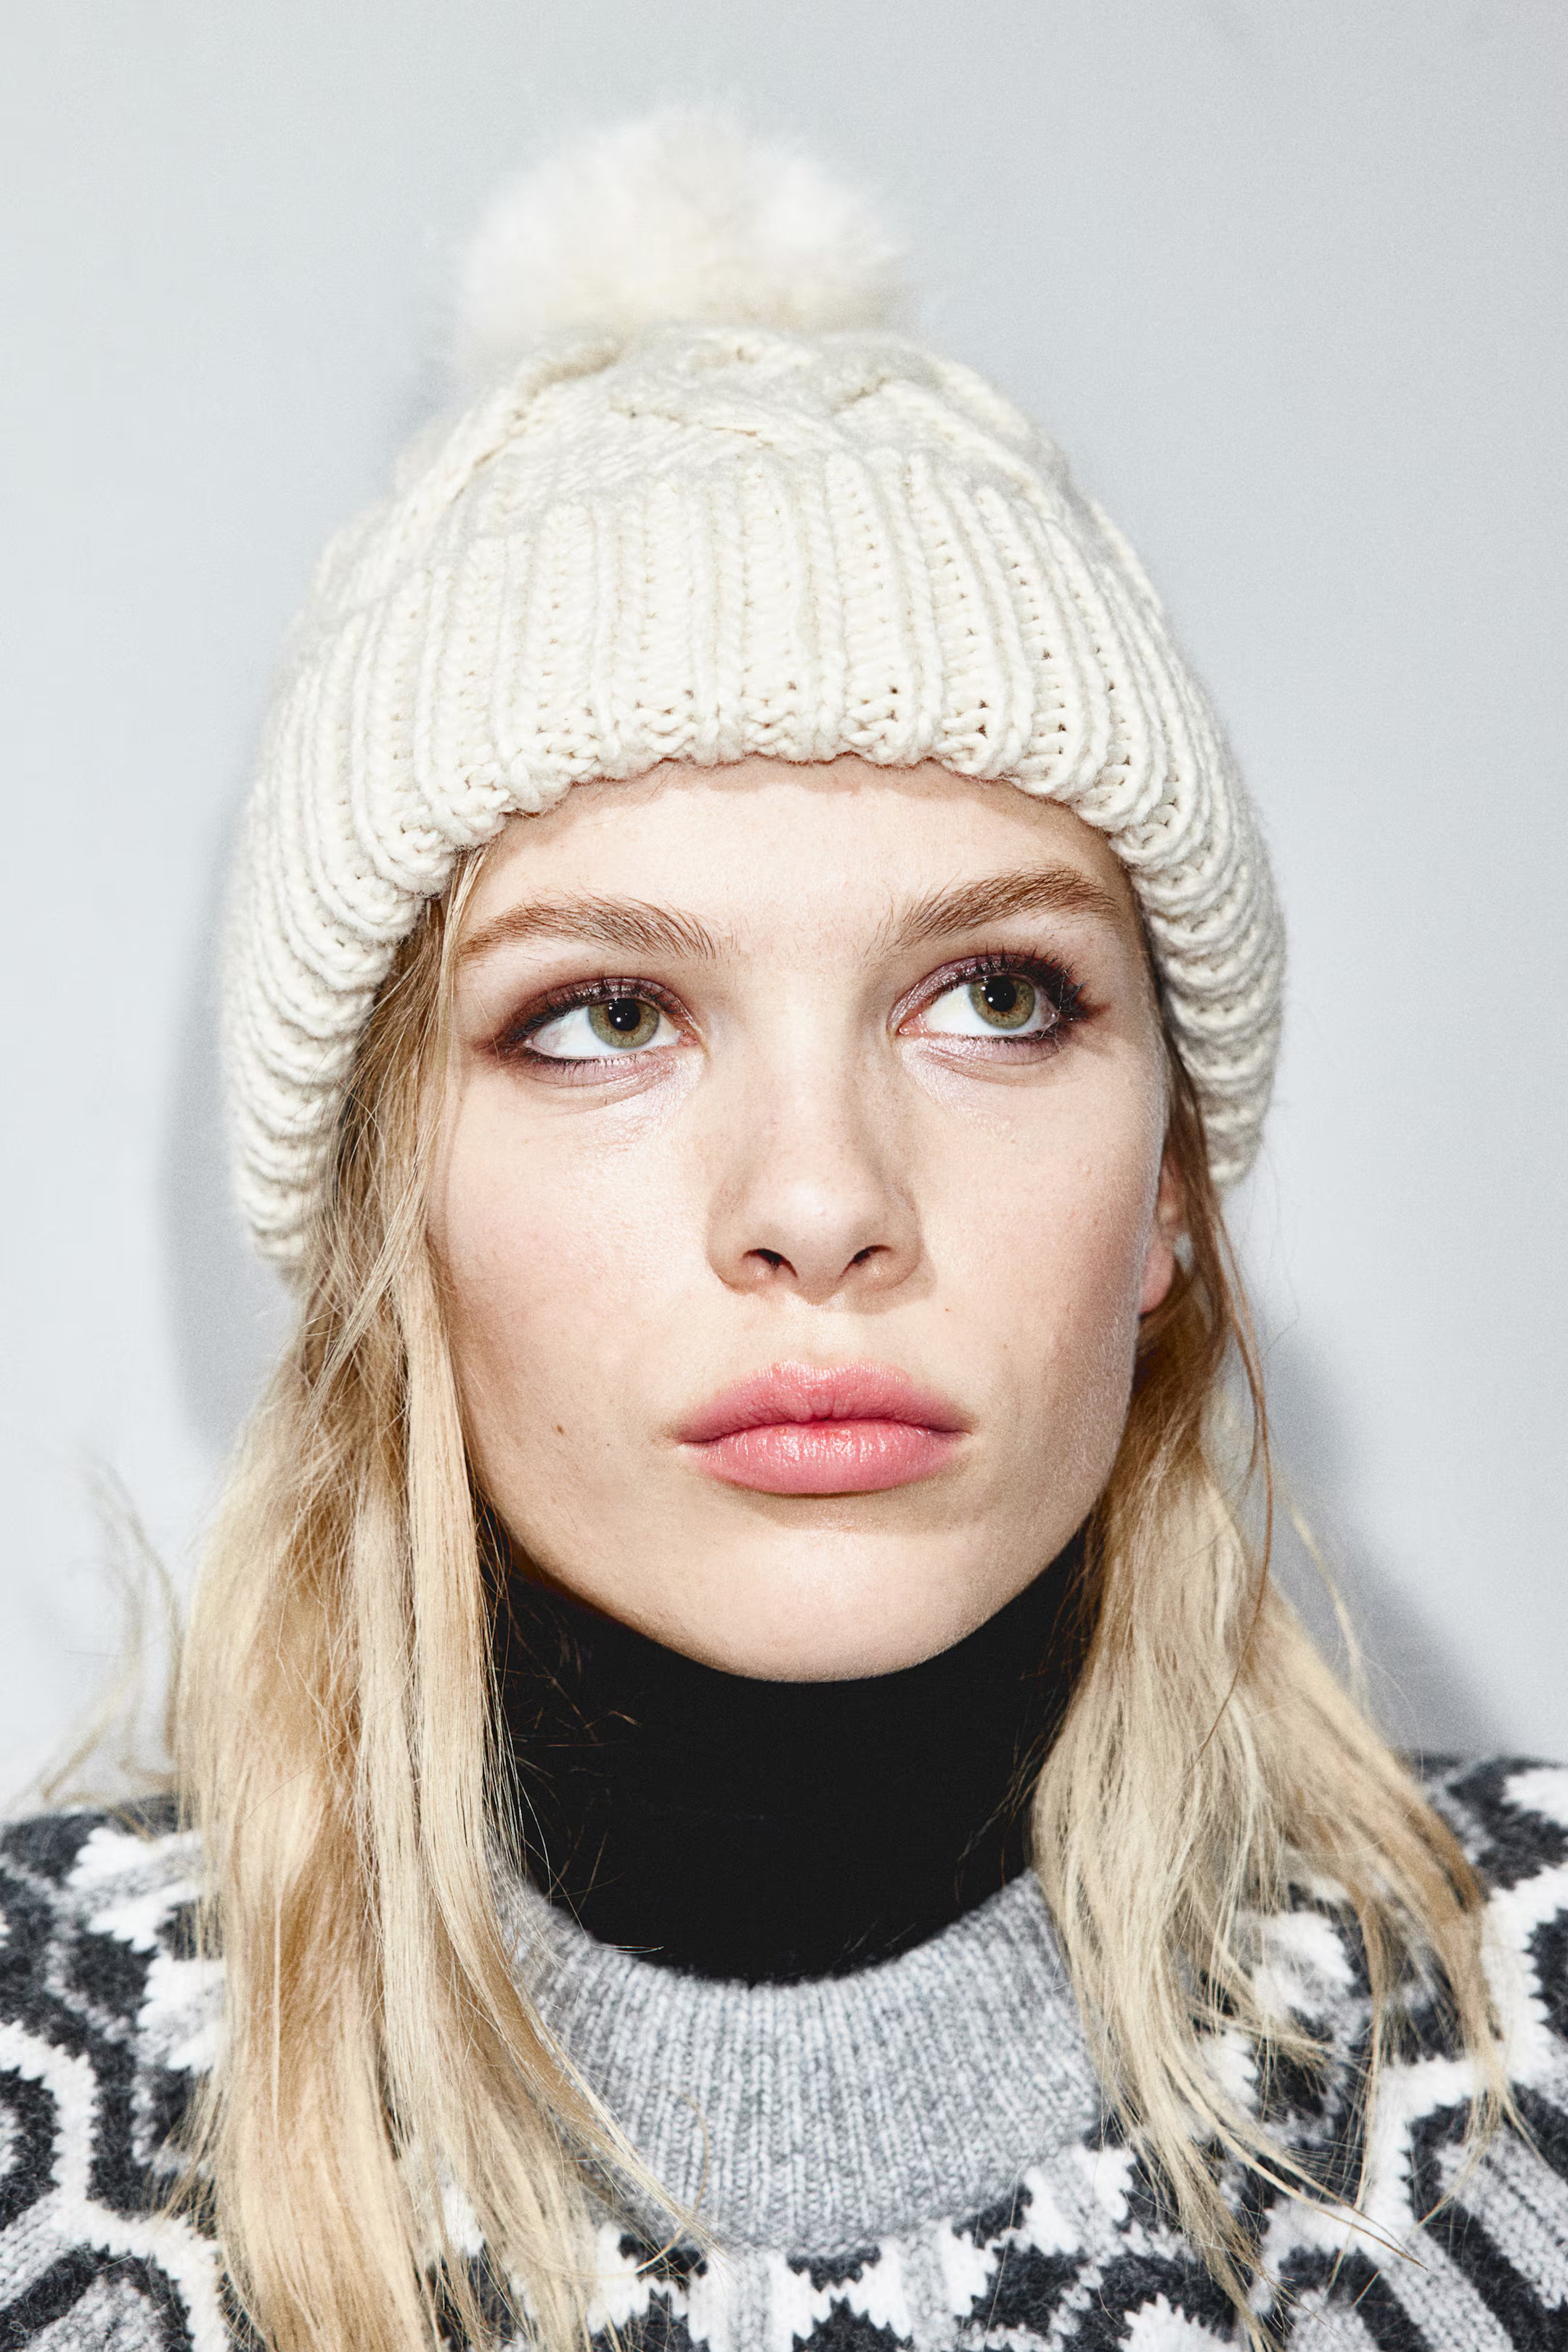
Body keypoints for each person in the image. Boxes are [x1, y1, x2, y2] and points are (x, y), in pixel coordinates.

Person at [1, 114, 1562, 2352]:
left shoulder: (1526, 2066)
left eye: (997, 998)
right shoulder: (43, 2128)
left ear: (1171, 1187)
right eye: (606, 1016)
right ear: (381, 1215)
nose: (822, 1204)